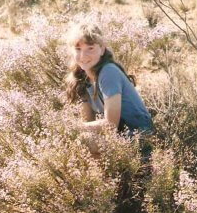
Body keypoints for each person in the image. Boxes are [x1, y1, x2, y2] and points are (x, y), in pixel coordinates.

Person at [65, 21, 154, 156]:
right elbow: (88, 121)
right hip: (119, 135)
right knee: (77, 141)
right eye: (78, 49)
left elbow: (110, 124)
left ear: (102, 49)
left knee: (84, 140)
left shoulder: (108, 72)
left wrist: (73, 127)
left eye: (90, 48)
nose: (83, 56)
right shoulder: (82, 78)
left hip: (139, 136)